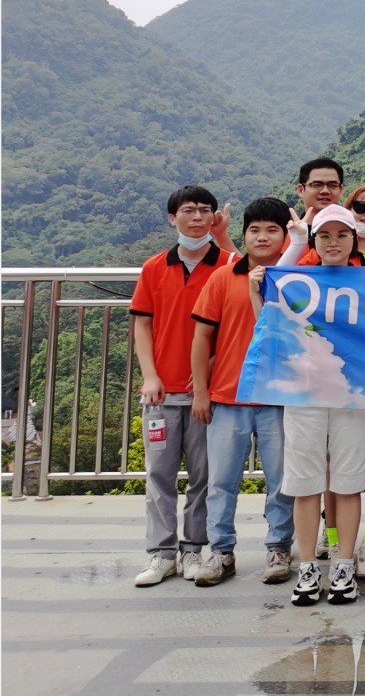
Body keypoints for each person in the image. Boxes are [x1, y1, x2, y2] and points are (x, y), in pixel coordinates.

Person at [128, 185, 235, 588]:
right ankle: (161, 554)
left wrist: (207, 368)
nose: (197, 217)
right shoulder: (154, 267)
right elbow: (142, 325)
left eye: (205, 210)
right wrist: (150, 374)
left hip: (208, 393)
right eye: (188, 210)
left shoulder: (227, 265)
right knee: (159, 474)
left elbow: (236, 324)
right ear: (172, 218)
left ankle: (193, 549)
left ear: (214, 217)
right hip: (162, 390)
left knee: (204, 476)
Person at [189, 197, 295, 588]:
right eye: (254, 230)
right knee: (220, 481)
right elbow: (202, 337)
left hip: (278, 400)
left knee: (281, 481)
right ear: (244, 235)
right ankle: (221, 552)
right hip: (227, 397)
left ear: (285, 237)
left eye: (272, 230)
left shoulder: (295, 280)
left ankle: (279, 548)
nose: (262, 237)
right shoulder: (222, 278)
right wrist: (201, 391)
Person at [279, 204, 365, 605]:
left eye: (341, 235)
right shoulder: (298, 279)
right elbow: (271, 296)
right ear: (314, 240)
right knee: (305, 483)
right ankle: (307, 567)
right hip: (303, 393)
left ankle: (344, 566)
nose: (333, 242)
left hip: (354, 394)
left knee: (349, 480)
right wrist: (294, 243)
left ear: (354, 239)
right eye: (324, 236)